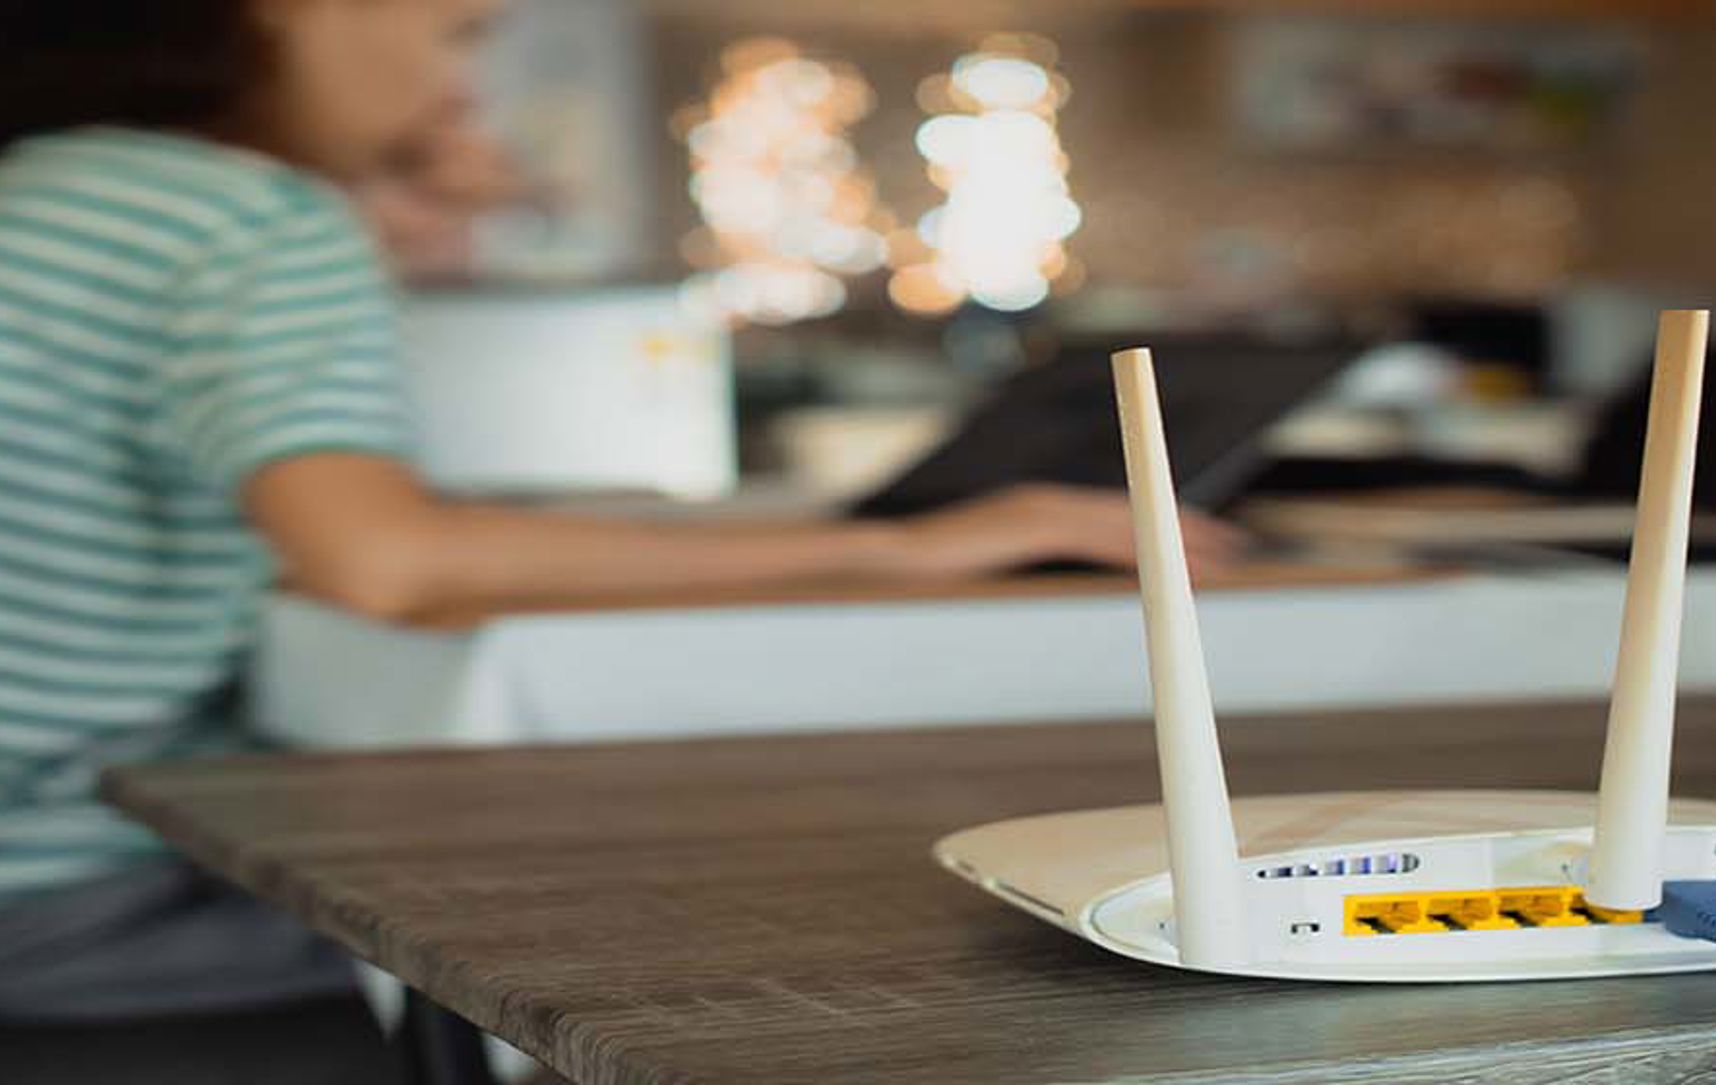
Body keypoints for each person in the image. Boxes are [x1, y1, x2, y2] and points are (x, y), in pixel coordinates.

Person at [0, 0, 1244, 1063]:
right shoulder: (240, 217)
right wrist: (907, 548)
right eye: (455, 32)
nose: (456, 86)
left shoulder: (60, 184)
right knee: (733, 921)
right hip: (55, 884)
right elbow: (381, 556)